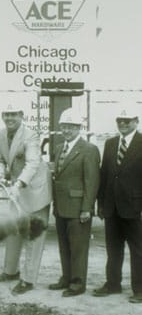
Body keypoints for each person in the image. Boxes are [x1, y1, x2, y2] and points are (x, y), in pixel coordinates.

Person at [0, 104, 52, 295]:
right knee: (14, 231)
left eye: (13, 114)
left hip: (34, 190)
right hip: (16, 190)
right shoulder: (1, 134)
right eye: (6, 114)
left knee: (33, 236)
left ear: (21, 115)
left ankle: (28, 280)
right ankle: (10, 272)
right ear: (2, 115)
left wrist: (17, 185)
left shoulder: (30, 135)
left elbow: (33, 163)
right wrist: (0, 174)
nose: (9, 118)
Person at [48, 108, 100, 297]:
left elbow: (92, 181)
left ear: (79, 128)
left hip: (79, 208)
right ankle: (67, 277)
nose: (67, 130)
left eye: (71, 127)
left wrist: (87, 208)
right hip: (61, 207)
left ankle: (78, 284)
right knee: (64, 245)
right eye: (64, 126)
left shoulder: (89, 149)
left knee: (78, 248)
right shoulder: (58, 147)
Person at [93, 106, 142, 303]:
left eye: (127, 120)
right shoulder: (111, 143)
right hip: (112, 207)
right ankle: (113, 284)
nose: (122, 123)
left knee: (138, 250)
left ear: (136, 121)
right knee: (113, 249)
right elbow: (104, 174)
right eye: (119, 120)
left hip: (134, 208)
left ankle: (139, 289)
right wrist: (101, 203)